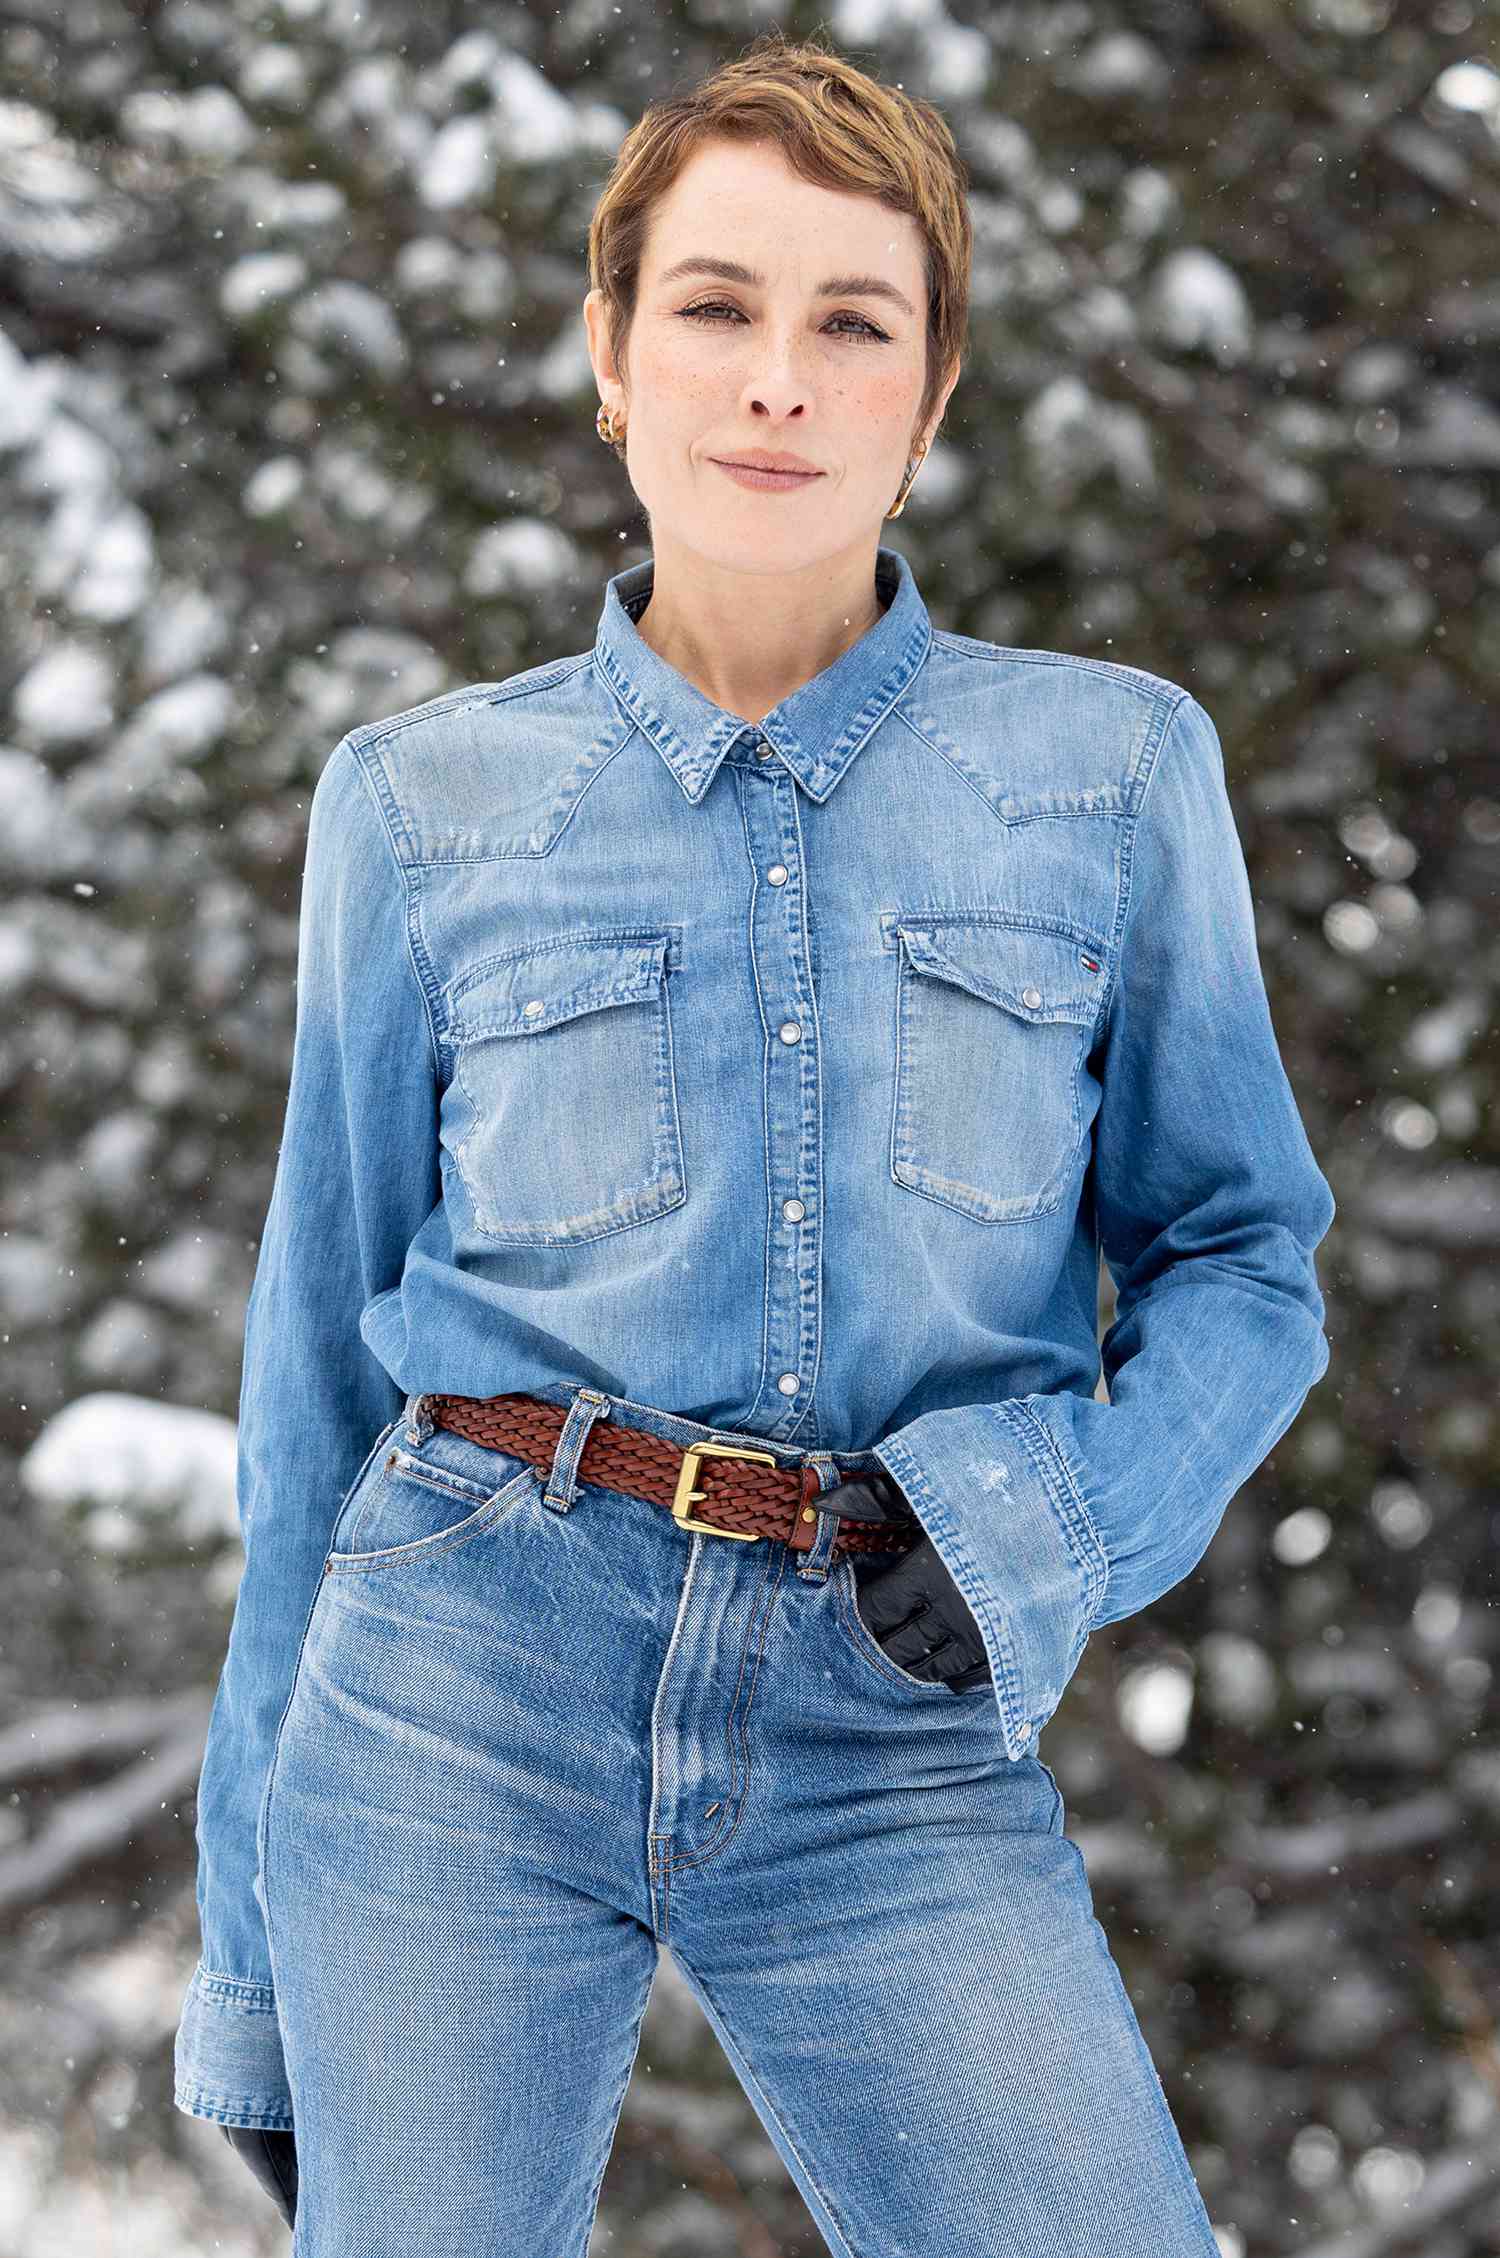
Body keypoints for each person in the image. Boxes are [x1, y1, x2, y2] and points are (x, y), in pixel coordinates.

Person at [175, 29, 1335, 2256]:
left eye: (850, 322)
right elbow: (316, 1393)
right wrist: (248, 1977)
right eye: (714, 307)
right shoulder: (423, 806)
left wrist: (1044, 1518)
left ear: (932, 394)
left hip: (889, 1720)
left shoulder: (1109, 775)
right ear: (615, 362)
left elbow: (1245, 1257)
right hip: (458, 1682)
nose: (776, 381)